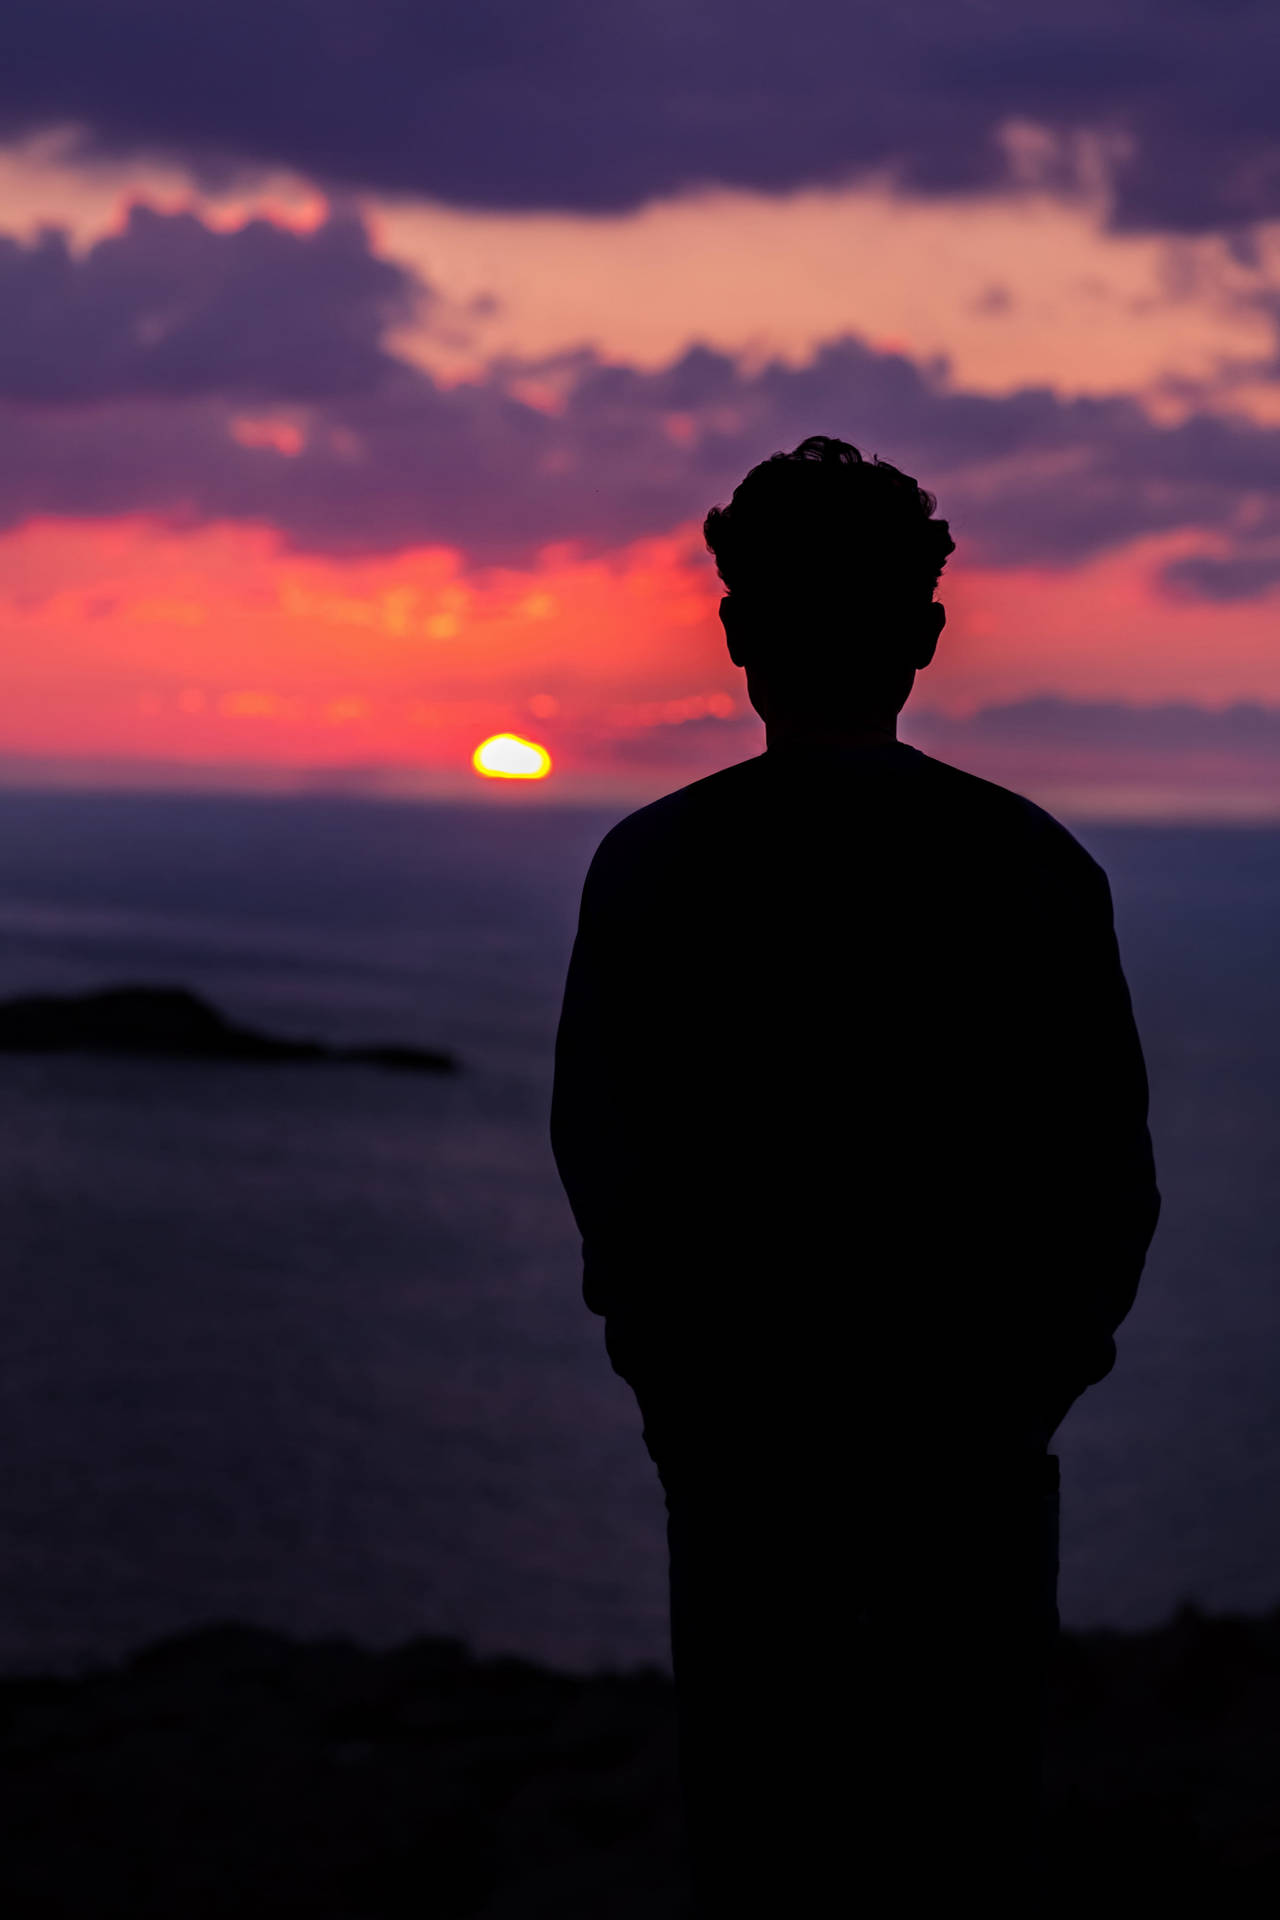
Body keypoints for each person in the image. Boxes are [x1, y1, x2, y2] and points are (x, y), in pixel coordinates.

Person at [550, 435, 1160, 1914]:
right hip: (962, 1471)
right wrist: (1012, 1399)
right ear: (930, 635)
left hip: (754, 1467)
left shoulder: (655, 867)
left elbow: (606, 1160)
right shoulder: (1031, 867)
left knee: (769, 1843)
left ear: (735, 629)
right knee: (957, 1844)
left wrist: (685, 1395)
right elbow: (1107, 1185)